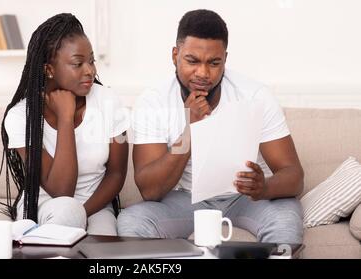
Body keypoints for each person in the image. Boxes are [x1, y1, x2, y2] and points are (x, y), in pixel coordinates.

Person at [117, 9, 304, 244]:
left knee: (286, 220)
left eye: (214, 63)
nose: (203, 73)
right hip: (187, 200)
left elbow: (294, 176)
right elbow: (150, 191)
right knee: (132, 221)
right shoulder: (153, 101)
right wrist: (190, 130)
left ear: (225, 59)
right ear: (175, 55)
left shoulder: (256, 95)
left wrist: (264, 187)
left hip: (248, 199)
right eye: (192, 61)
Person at [0, 13, 130, 236]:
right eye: (78, 63)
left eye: (91, 61)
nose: (90, 70)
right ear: (49, 69)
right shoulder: (20, 118)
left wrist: (83, 213)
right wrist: (65, 118)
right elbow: (61, 190)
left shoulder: (110, 102)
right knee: (67, 211)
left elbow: (117, 174)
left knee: (104, 245)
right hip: (43, 207)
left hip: (95, 208)